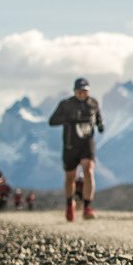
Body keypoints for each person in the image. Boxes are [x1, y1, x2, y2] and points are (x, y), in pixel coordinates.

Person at [49, 77, 104, 221]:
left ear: (88, 91)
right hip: (70, 145)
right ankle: (69, 204)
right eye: (79, 91)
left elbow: (98, 117)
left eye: (84, 91)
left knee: (89, 170)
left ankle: (87, 207)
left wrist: (100, 125)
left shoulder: (94, 103)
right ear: (74, 91)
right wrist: (68, 119)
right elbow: (52, 121)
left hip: (87, 144)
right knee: (70, 177)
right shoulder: (66, 104)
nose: (81, 94)